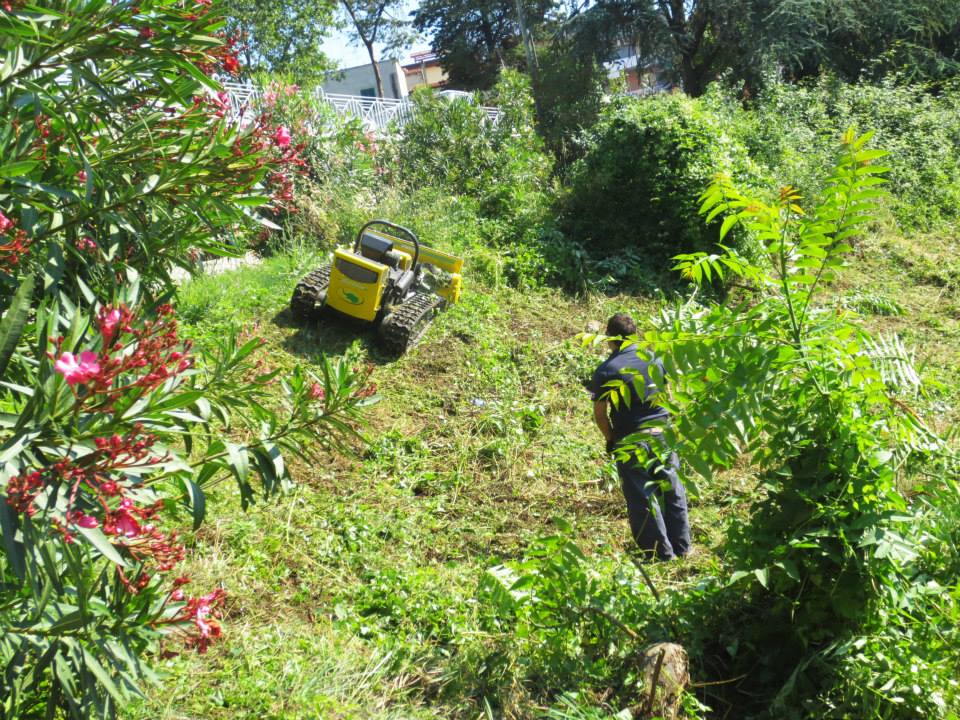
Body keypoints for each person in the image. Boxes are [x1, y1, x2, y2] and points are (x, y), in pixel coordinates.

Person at [590, 313, 691, 560]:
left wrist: (612, 439)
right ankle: (683, 548)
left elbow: (600, 414)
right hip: (662, 434)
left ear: (609, 338)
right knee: (672, 489)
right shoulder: (655, 358)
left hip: (631, 439)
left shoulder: (607, 370)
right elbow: (666, 394)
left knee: (642, 497)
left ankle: (659, 554)